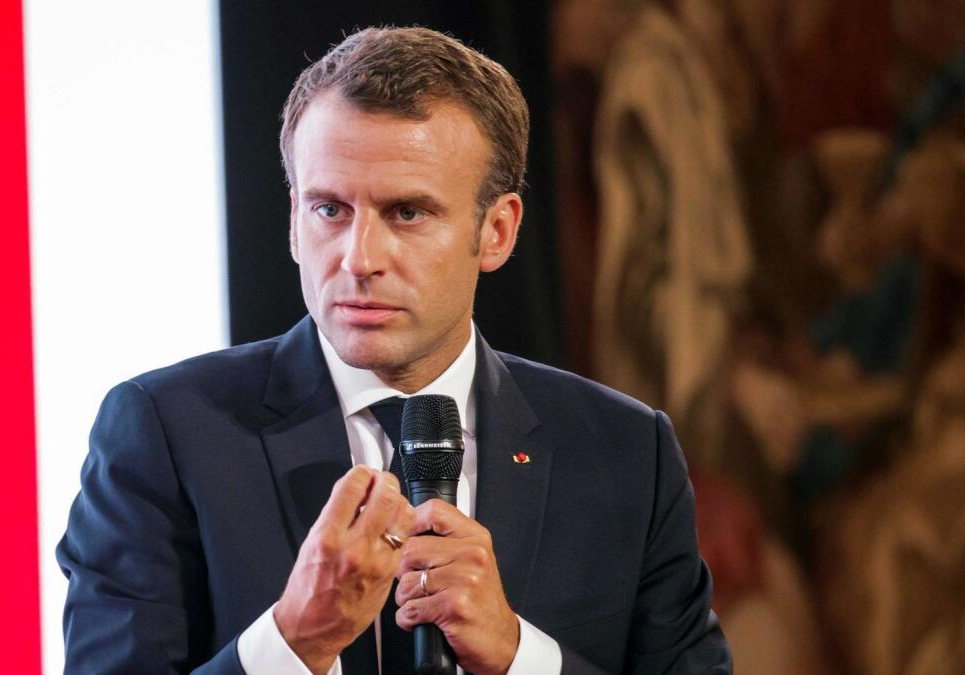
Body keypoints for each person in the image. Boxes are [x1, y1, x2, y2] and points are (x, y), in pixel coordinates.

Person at [57, 26, 730, 674]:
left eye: (407, 212)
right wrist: (294, 641)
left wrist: (517, 654)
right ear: (294, 221)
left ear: (496, 231)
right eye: (329, 209)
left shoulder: (624, 450)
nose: (358, 257)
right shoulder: (164, 433)